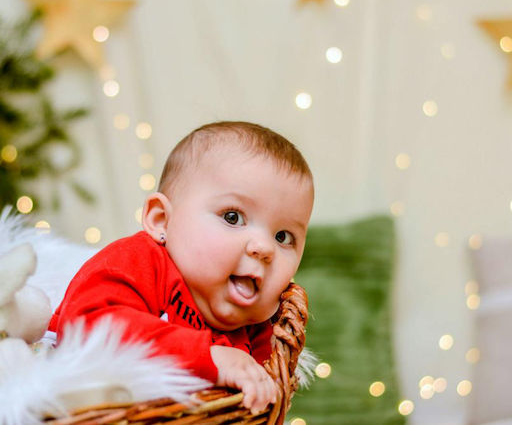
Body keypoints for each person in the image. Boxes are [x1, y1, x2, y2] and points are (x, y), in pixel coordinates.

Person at [49, 121, 314, 413]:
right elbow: (86, 325)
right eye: (232, 217)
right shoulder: (141, 260)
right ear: (162, 221)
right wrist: (208, 358)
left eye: (283, 237)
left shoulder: (261, 328)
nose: (264, 248)